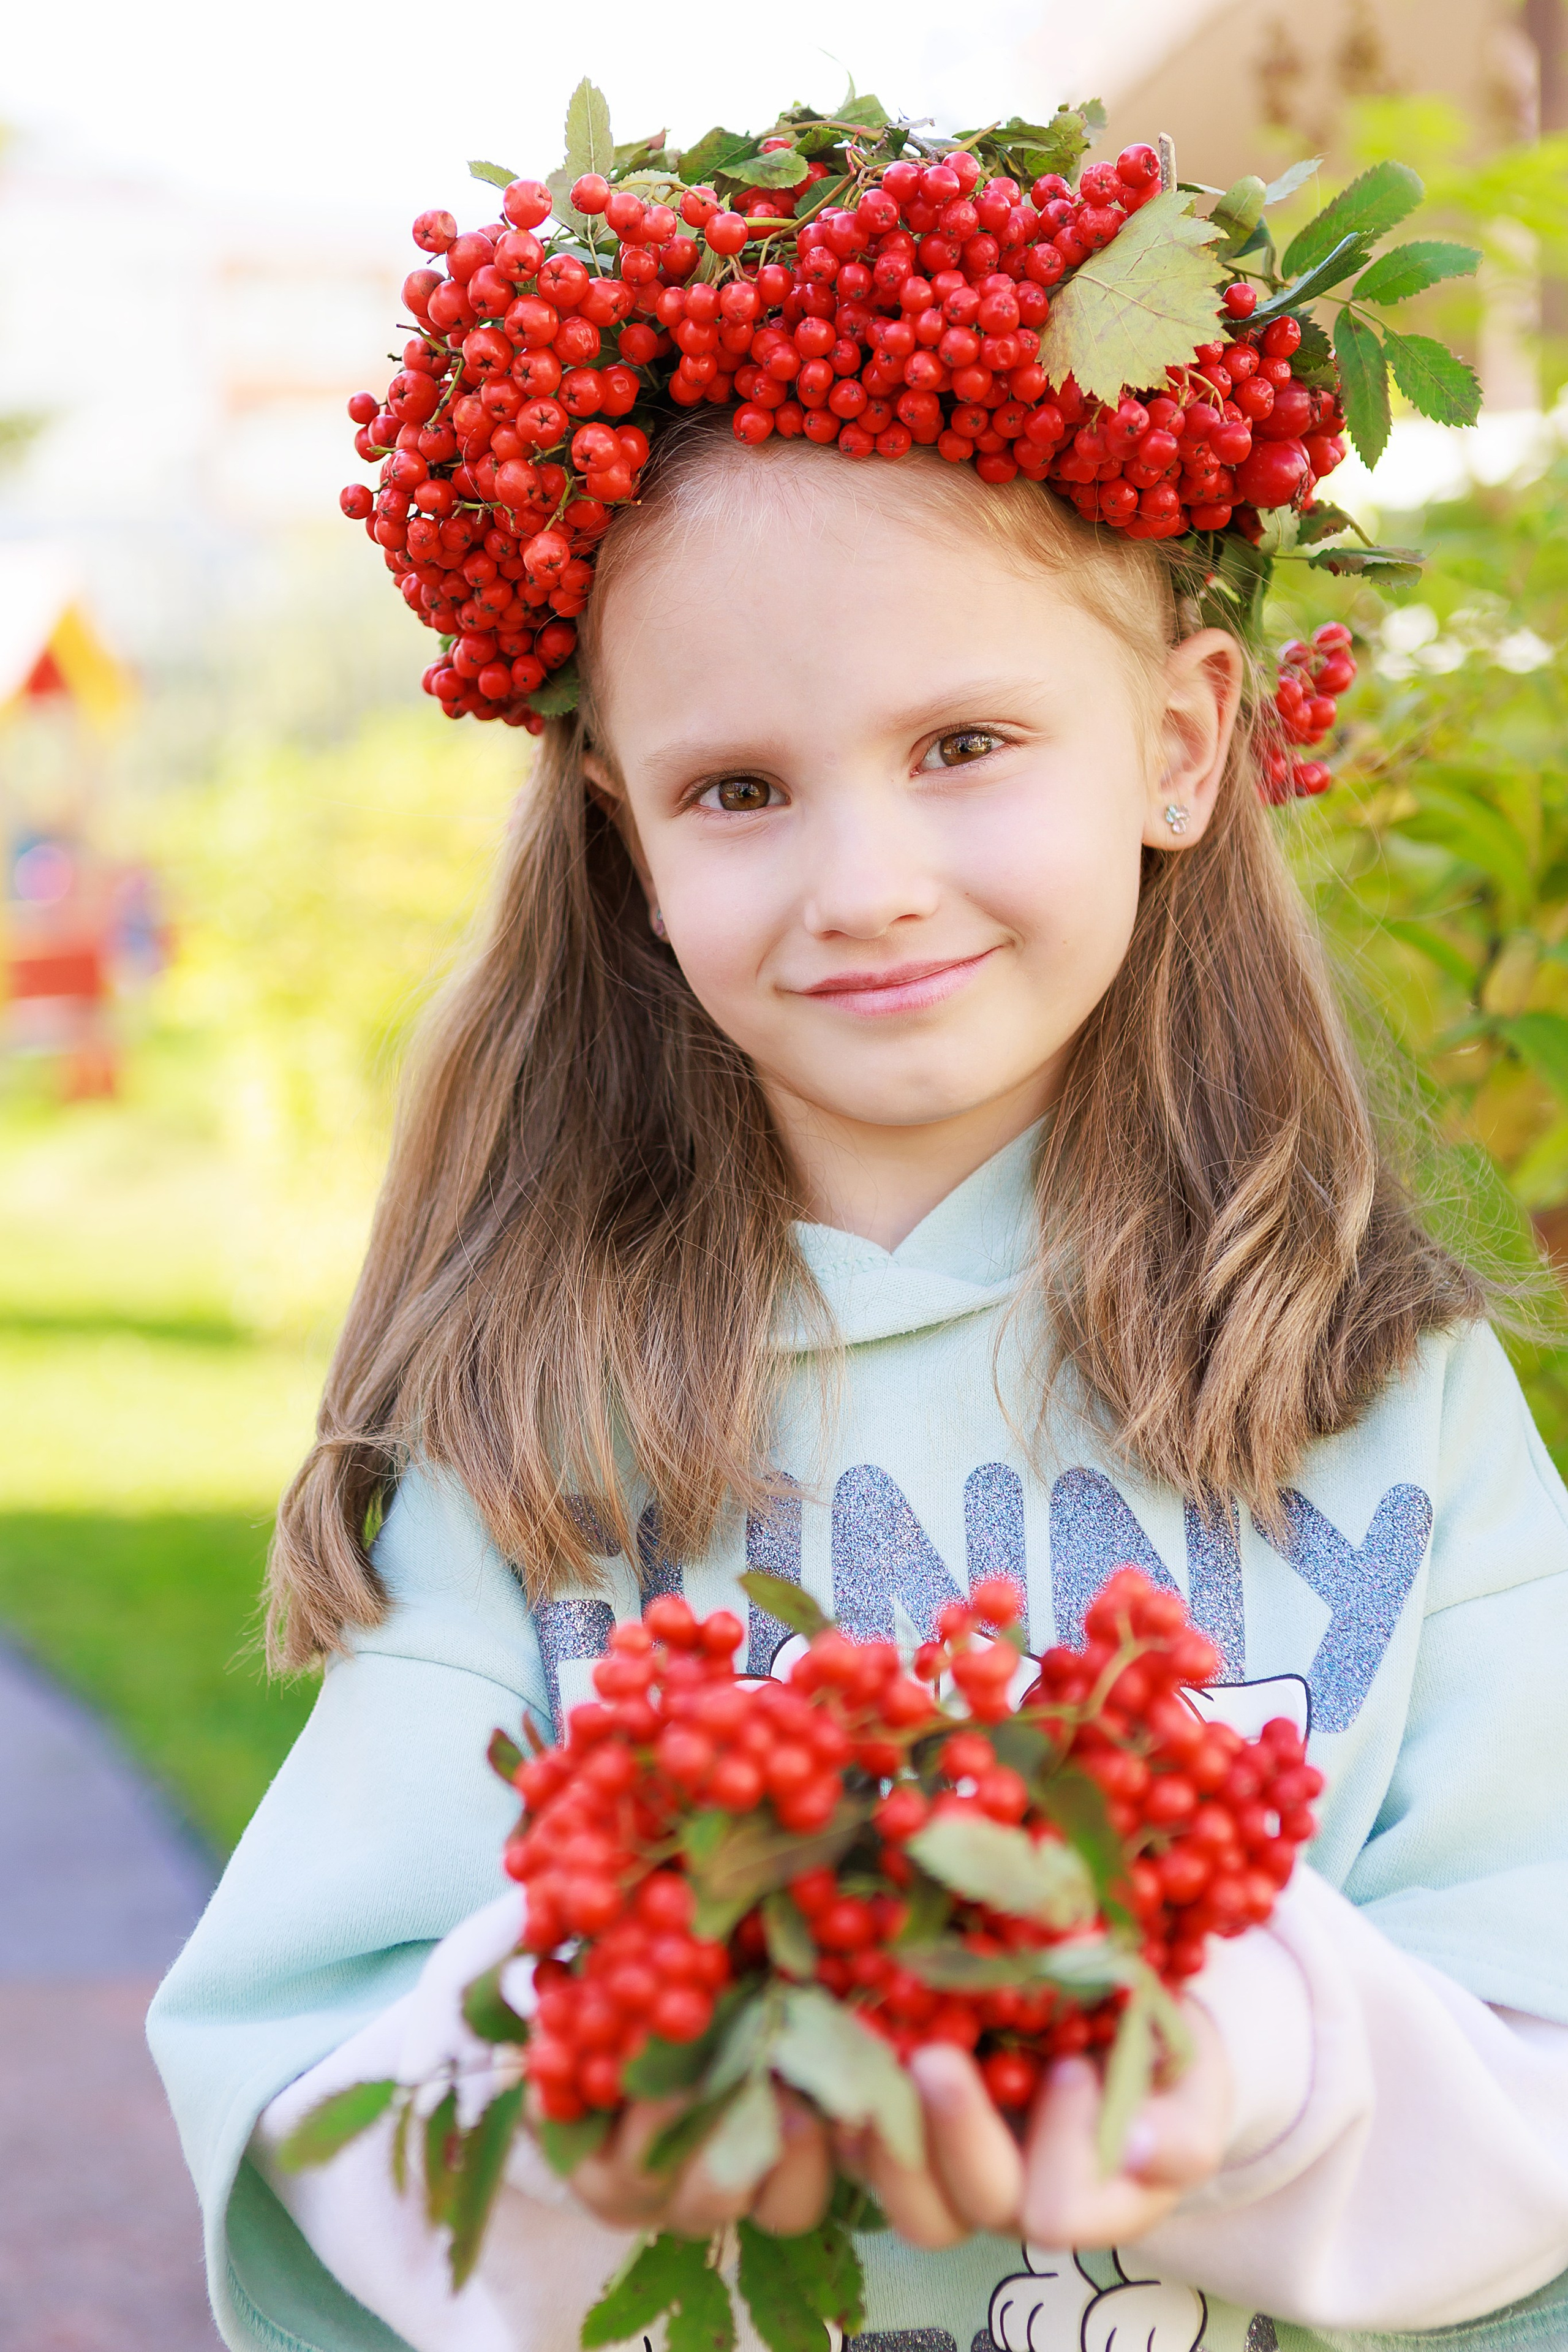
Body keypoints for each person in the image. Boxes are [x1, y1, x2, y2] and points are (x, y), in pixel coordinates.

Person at [150, 134, 1568, 2352]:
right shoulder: (531, 1429)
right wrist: (569, 2080)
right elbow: (316, 2095)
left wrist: (1239, 2059)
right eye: (740, 789)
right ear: (625, 835)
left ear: (1183, 743)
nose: (868, 879)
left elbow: (1540, 2054)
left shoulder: (1389, 1400)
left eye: (966, 742)